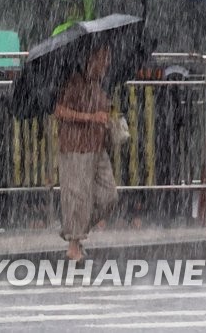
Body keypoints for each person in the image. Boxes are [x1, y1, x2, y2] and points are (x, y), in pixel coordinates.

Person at [54, 43, 118, 260]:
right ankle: (74, 244)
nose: (107, 63)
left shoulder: (98, 85)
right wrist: (90, 118)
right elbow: (59, 111)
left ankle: (77, 230)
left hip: (97, 145)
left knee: (109, 195)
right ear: (91, 59)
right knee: (77, 196)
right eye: (104, 58)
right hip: (76, 145)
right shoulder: (73, 81)